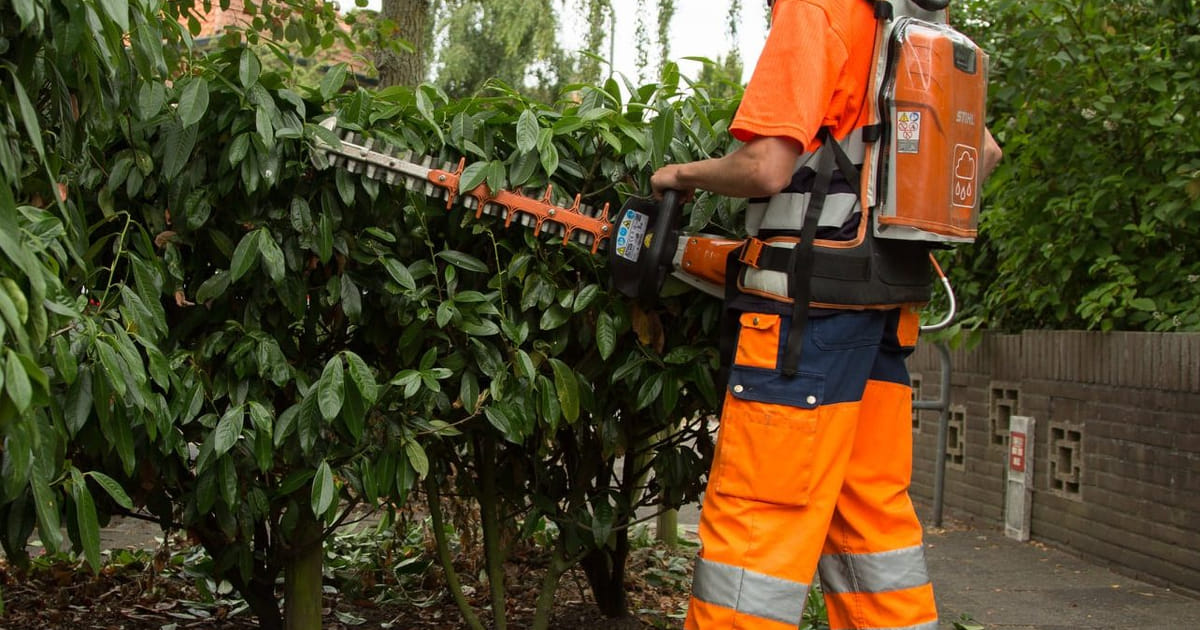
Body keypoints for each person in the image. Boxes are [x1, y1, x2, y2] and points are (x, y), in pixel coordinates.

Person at [650, 1, 1001, 629]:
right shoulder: (913, 17)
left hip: (802, 327)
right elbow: (986, 153)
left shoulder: (817, 8)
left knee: (758, 528)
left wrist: (681, 174)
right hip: (882, 319)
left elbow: (765, 167)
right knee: (871, 527)